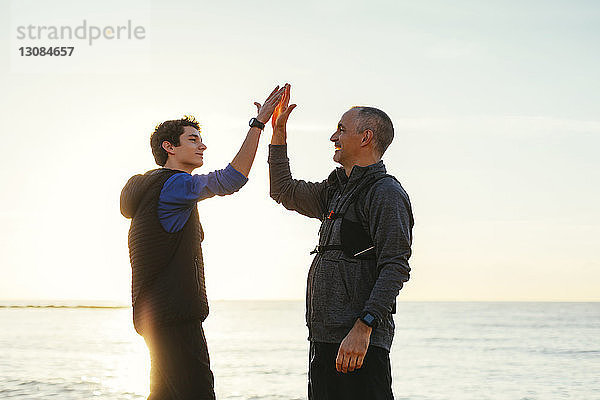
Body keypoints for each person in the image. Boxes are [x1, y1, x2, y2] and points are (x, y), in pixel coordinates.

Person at [120, 85, 285, 400]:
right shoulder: (174, 185)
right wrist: (258, 124)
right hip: (175, 318)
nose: (203, 146)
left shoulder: (155, 190)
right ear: (169, 147)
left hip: (156, 318)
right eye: (192, 139)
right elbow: (230, 179)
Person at [268, 85, 414, 400]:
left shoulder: (386, 193)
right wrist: (278, 133)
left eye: (341, 130)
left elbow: (396, 266)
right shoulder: (335, 190)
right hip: (324, 339)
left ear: (366, 138)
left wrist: (364, 327)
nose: (333, 138)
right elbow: (283, 190)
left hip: (359, 343)